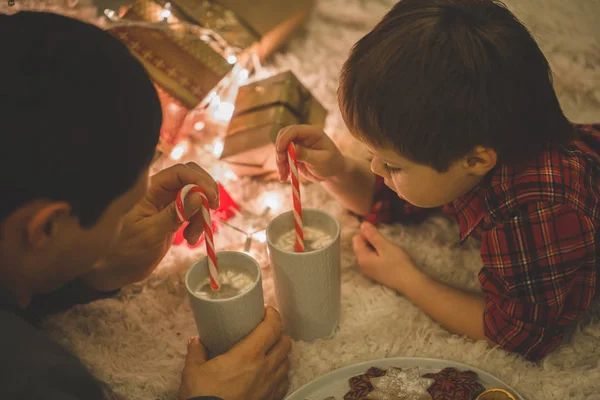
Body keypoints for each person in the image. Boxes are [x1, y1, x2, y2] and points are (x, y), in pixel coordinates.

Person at [275, 0, 600, 362]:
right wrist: (336, 171)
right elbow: (398, 197)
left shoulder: (540, 211)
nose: (376, 169)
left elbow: (518, 334)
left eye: (393, 165)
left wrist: (407, 279)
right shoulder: (470, 149)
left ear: (475, 160)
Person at [0, 11, 290, 400]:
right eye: (121, 213)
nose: (127, 222)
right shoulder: (41, 380)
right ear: (47, 228)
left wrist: (82, 271)